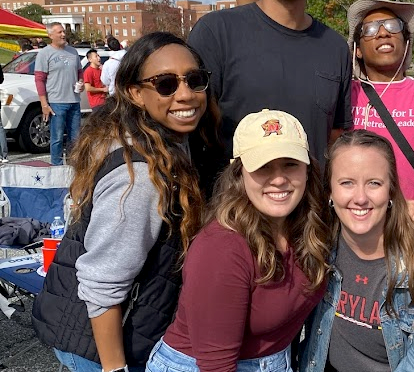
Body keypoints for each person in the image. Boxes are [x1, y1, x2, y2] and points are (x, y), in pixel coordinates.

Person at [31, 32, 222, 372]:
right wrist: (115, 368)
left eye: (195, 80)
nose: (185, 94)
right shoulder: (142, 177)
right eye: (165, 84)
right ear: (135, 93)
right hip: (100, 343)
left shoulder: (167, 138)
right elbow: (102, 283)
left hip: (114, 324)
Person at [146, 108, 330, 372]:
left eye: (290, 164)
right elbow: (216, 365)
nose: (278, 179)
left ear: (307, 170)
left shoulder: (307, 226)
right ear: (239, 174)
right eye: (263, 166)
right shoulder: (222, 248)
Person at [190, 0, 352, 170]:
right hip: (233, 208)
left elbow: (335, 139)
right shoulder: (216, 33)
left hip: (311, 209)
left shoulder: (335, 47)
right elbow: (190, 131)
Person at [300, 129, 414, 372]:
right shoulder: (318, 244)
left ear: (390, 190)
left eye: (374, 183)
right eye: (347, 183)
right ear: (330, 192)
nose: (361, 198)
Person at [346, 0, 414, 213]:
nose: (383, 33)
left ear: (406, 43)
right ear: (357, 49)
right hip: (355, 227)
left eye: (393, 26)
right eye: (370, 29)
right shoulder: (342, 95)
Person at [35, 22, 84, 165]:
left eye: (63, 32)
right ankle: (56, 167)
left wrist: (80, 83)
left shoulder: (73, 52)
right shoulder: (45, 53)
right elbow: (39, 80)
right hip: (56, 102)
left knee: (75, 137)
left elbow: (80, 72)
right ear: (50, 35)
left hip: (74, 101)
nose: (63, 35)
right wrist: (44, 104)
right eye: (59, 32)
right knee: (56, 138)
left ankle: (72, 166)